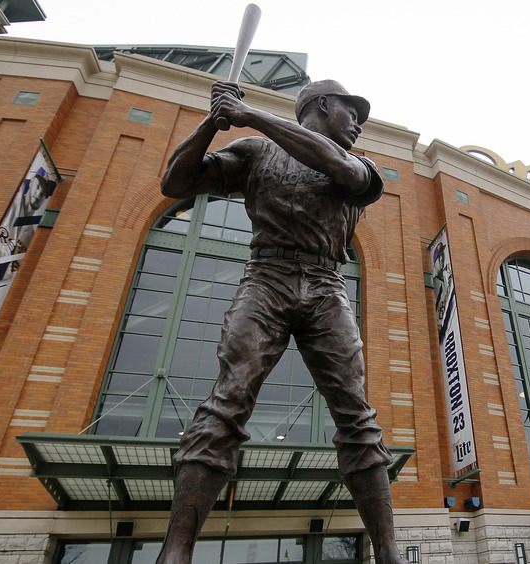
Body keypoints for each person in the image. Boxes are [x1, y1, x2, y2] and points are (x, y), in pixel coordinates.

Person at [155, 80, 405, 564]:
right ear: (321, 105)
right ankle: (175, 553)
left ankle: (389, 553)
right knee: (226, 402)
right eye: (352, 112)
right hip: (265, 276)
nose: (358, 124)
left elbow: (339, 170)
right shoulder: (255, 151)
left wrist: (250, 114)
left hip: (326, 284)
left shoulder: (362, 166)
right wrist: (214, 121)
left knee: (356, 415)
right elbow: (175, 184)